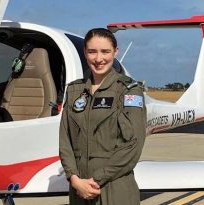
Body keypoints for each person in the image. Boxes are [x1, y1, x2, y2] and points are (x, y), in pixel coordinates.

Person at [59, 28, 146, 205]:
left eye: (105, 51)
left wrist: (95, 179)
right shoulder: (75, 90)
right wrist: (74, 179)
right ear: (85, 52)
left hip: (114, 188)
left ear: (116, 52)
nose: (99, 59)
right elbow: (65, 139)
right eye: (92, 52)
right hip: (79, 191)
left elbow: (133, 145)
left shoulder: (128, 90)